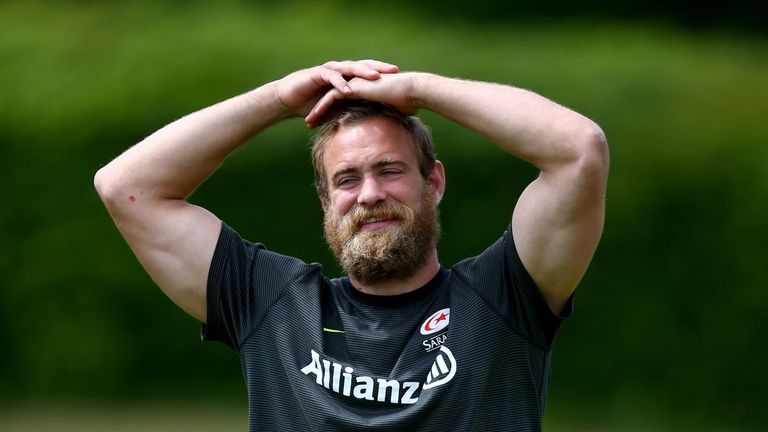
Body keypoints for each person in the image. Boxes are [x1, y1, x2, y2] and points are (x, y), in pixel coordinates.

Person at [95, 59, 608, 431]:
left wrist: (420, 88)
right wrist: (276, 100)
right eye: (346, 180)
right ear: (325, 200)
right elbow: (127, 188)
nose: (369, 194)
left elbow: (578, 150)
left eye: (390, 171)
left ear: (434, 183)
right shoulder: (271, 302)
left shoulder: (504, 298)